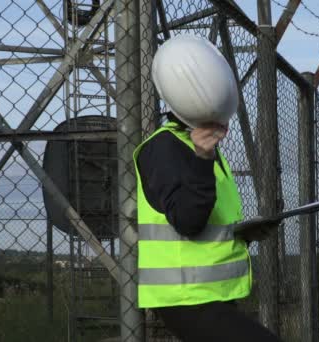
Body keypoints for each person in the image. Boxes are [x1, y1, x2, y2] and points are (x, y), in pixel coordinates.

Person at [133, 35, 282, 342]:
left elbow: (204, 222)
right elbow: (187, 221)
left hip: (209, 294)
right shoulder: (165, 148)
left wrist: (242, 233)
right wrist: (202, 159)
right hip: (188, 298)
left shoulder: (198, 146)